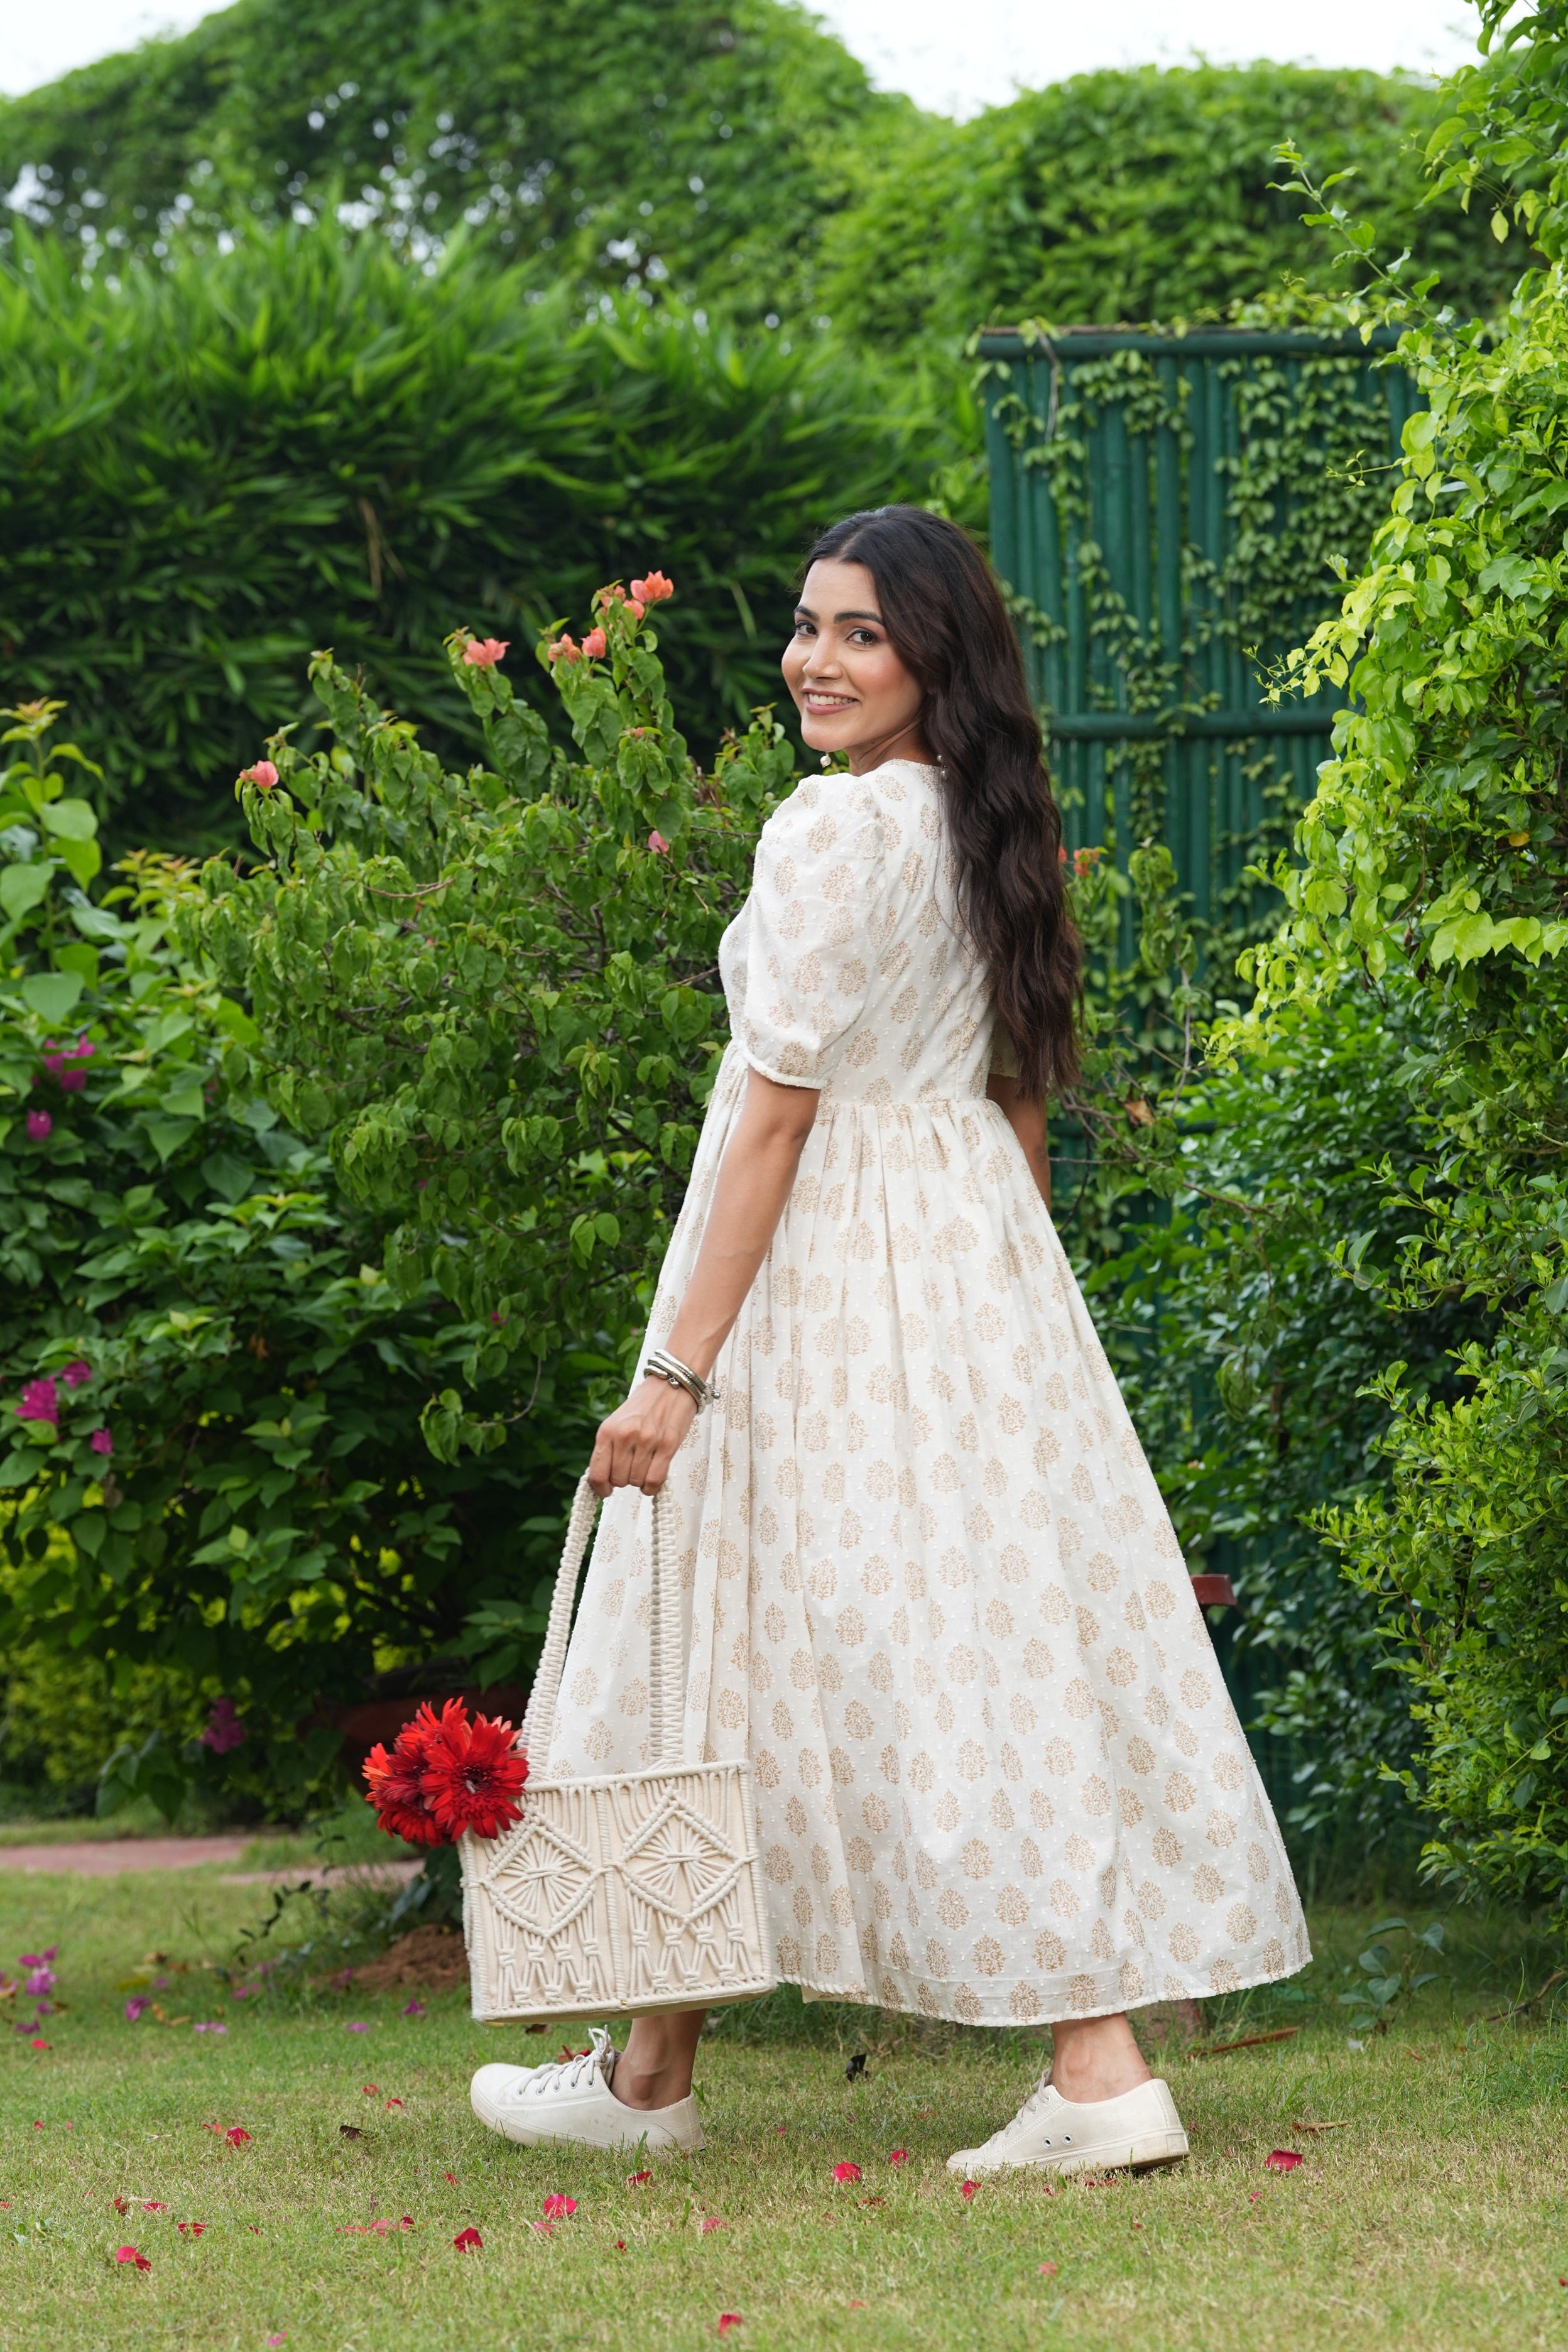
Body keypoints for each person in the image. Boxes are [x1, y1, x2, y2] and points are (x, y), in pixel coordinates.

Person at [469, 504, 1309, 2173]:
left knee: (803, 1628)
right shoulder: (991, 828)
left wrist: (675, 1375)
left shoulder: (834, 835)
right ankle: (651, 2072)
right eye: (806, 625)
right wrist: (1013, 1319)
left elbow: (778, 1117)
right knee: (907, 1631)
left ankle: (1094, 2069)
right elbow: (1016, 1109)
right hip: (965, 1261)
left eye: (860, 631)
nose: (816, 659)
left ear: (935, 652)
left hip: (815, 1280)